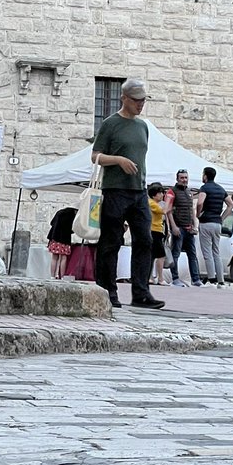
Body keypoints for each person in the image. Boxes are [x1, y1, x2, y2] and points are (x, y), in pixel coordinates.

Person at [91, 78, 164, 311]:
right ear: (124, 98)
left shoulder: (143, 127)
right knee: (111, 241)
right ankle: (107, 291)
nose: (140, 105)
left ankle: (141, 293)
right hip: (115, 190)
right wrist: (118, 160)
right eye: (136, 101)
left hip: (139, 191)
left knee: (145, 240)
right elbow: (95, 156)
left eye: (143, 100)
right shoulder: (110, 124)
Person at [197, 166, 233, 288]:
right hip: (217, 223)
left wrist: (198, 214)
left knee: (207, 252)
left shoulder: (204, 188)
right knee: (216, 252)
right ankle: (221, 280)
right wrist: (222, 218)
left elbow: (200, 202)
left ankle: (211, 279)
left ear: (205, 176)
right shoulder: (221, 189)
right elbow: (231, 204)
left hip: (206, 222)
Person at [167, 169, 203, 287]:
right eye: (182, 178)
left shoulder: (189, 192)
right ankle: (175, 278)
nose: (184, 180)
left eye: (186, 177)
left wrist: (194, 225)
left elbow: (191, 210)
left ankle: (196, 279)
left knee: (192, 255)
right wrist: (174, 227)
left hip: (189, 228)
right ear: (177, 179)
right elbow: (168, 211)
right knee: (175, 254)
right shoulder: (172, 192)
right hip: (178, 228)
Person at [147, 182, 169, 286]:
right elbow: (164, 211)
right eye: (160, 193)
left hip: (157, 231)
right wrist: (169, 200)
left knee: (152, 256)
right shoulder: (152, 203)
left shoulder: (153, 203)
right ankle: (160, 278)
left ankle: (150, 277)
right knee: (161, 255)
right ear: (154, 194)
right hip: (154, 231)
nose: (162, 195)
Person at [46, 206, 76, 279]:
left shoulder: (59, 212)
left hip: (55, 237)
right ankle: (62, 277)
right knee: (63, 258)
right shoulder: (72, 216)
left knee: (54, 257)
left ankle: (52, 276)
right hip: (65, 239)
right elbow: (72, 228)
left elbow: (52, 223)